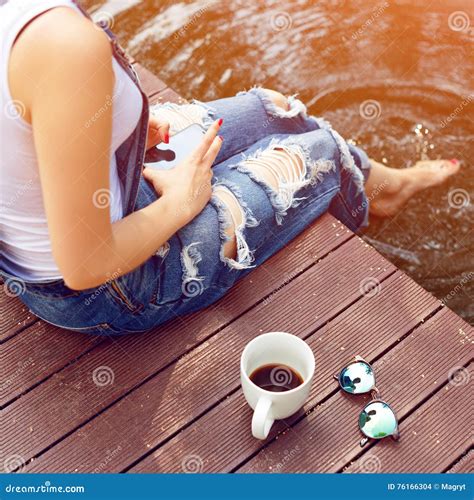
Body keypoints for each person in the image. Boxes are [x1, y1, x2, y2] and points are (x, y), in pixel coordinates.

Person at [0, 0, 460, 334]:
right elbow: (84, 266)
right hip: (107, 288)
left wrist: (121, 136)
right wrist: (181, 204)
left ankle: (380, 184)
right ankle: (373, 207)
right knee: (324, 154)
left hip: (101, 204)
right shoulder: (64, 47)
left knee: (274, 109)